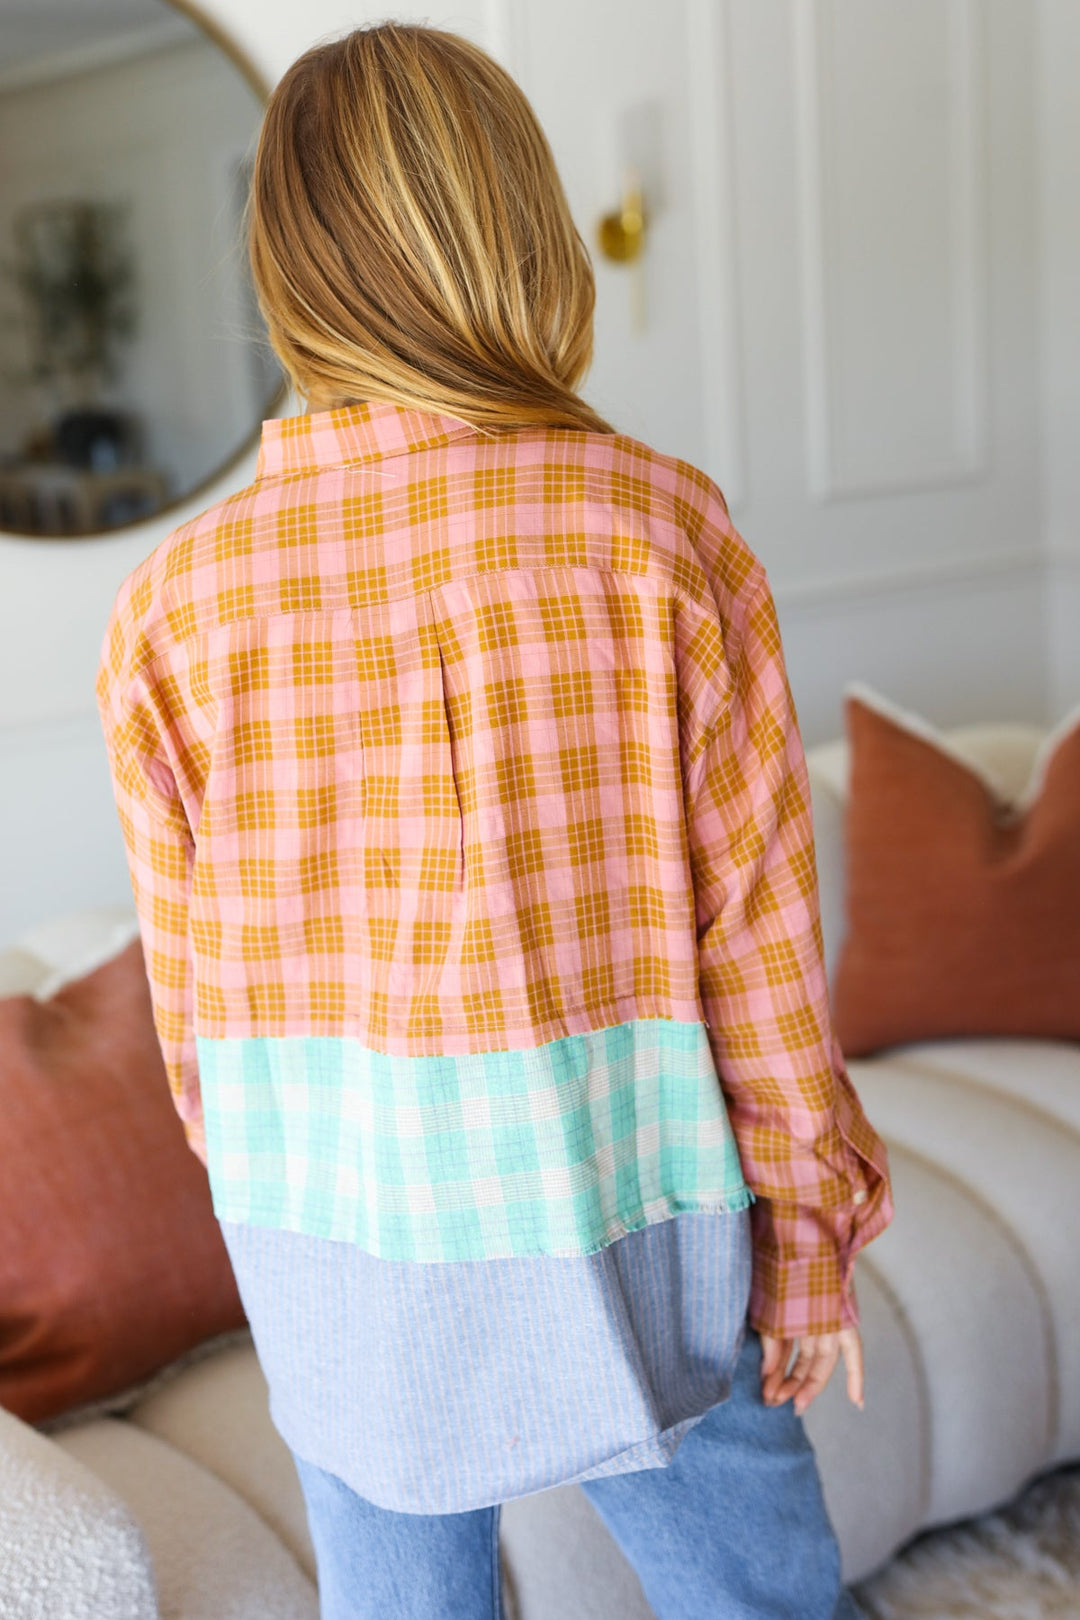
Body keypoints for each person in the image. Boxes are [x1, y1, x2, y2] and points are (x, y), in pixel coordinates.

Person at [96, 21, 895, 1620]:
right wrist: (807, 1234)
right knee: (762, 1602)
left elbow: (195, 1033)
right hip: (640, 1204)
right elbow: (758, 946)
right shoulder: (658, 532)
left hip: (342, 1243)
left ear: (288, 272)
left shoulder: (172, 610)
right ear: (518, 230)